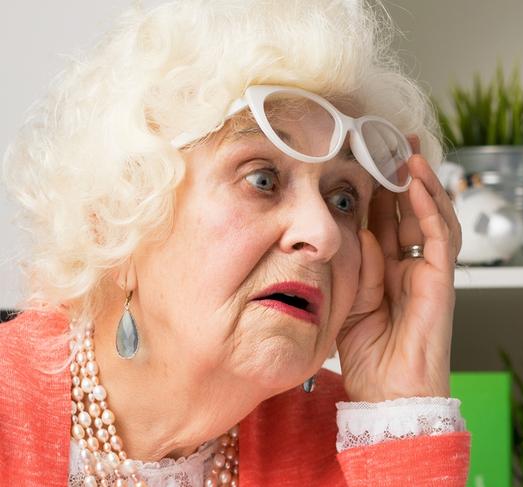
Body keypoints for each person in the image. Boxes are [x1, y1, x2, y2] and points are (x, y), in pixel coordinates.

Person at [0, 0, 469, 485]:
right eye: (263, 179)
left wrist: (400, 407)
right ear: (122, 213)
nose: (324, 233)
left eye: (344, 200)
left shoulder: (370, 440)